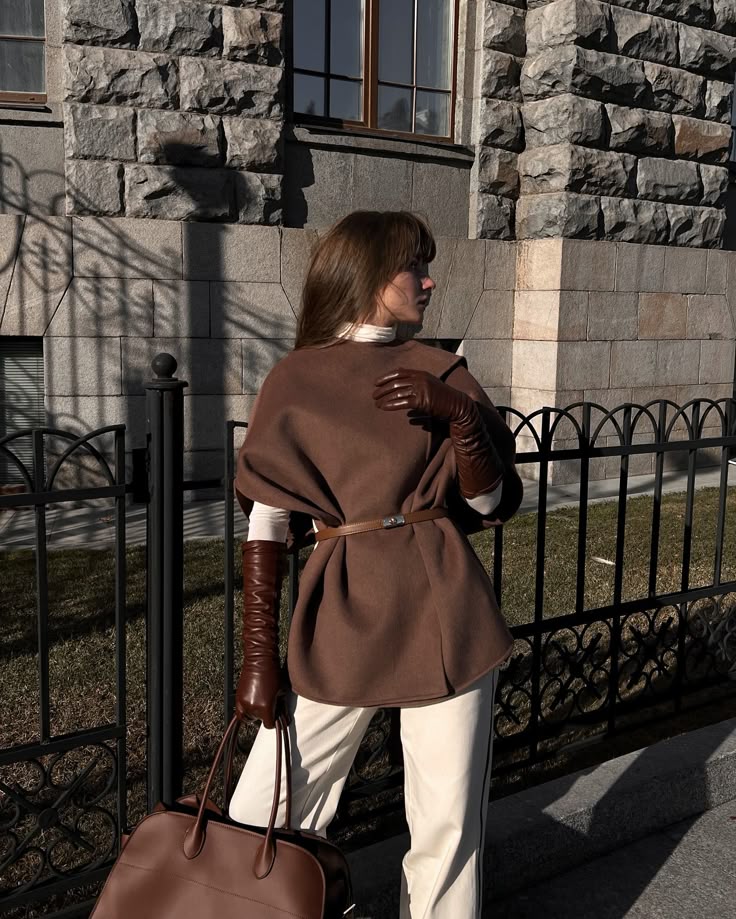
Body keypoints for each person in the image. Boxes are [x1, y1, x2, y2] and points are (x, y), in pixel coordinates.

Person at [228, 210, 523, 918]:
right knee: (263, 808)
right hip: (344, 612)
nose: (428, 279)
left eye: (426, 263)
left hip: (445, 612)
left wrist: (459, 416)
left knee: (449, 831)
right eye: (411, 266)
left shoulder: (443, 368)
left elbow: (488, 504)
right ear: (365, 273)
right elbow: (269, 522)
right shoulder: (296, 379)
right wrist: (259, 658)